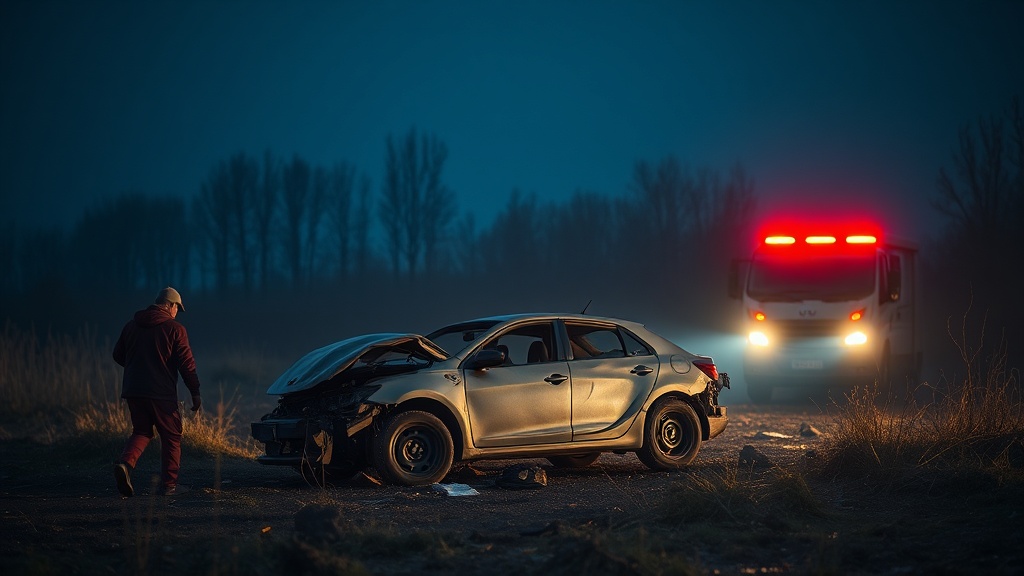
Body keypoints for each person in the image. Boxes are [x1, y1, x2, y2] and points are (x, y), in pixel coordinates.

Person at [112, 287, 202, 497]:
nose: (177, 312)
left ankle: (125, 464)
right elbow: (187, 365)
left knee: (142, 431)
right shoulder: (175, 329)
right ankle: (170, 486)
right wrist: (195, 392)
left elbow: (118, 355)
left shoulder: (131, 326)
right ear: (170, 305)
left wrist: (137, 366)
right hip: (160, 393)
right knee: (171, 435)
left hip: (134, 390)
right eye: (177, 308)